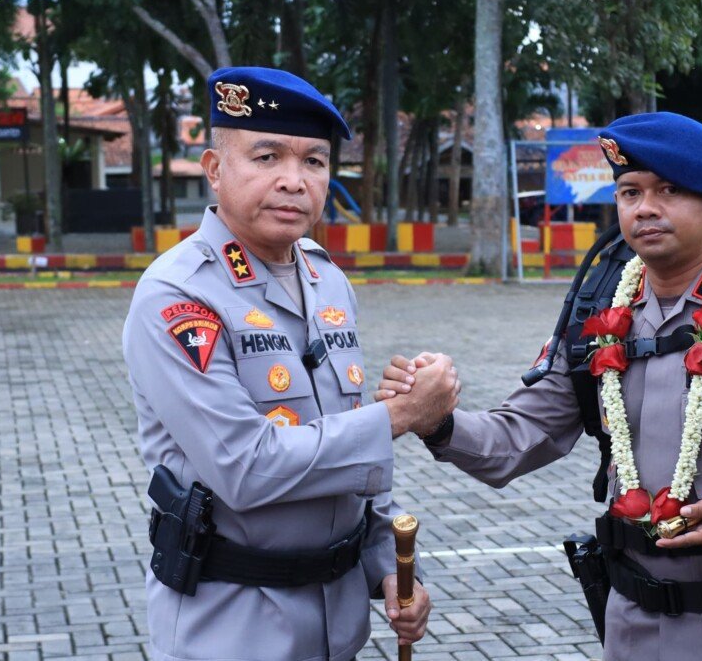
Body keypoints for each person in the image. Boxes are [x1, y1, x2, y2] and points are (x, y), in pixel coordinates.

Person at [379, 113, 702, 660]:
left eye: (668, 190)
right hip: (628, 622)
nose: (645, 208)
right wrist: (434, 419)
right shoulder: (597, 314)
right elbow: (517, 436)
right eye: (630, 191)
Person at [123, 67, 459, 661]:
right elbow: (245, 469)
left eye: (314, 162)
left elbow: (350, 447)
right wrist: (401, 416)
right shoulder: (178, 296)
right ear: (214, 169)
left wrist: (389, 565)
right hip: (234, 627)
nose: (294, 181)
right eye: (267, 156)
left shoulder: (325, 279)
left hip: (337, 624)